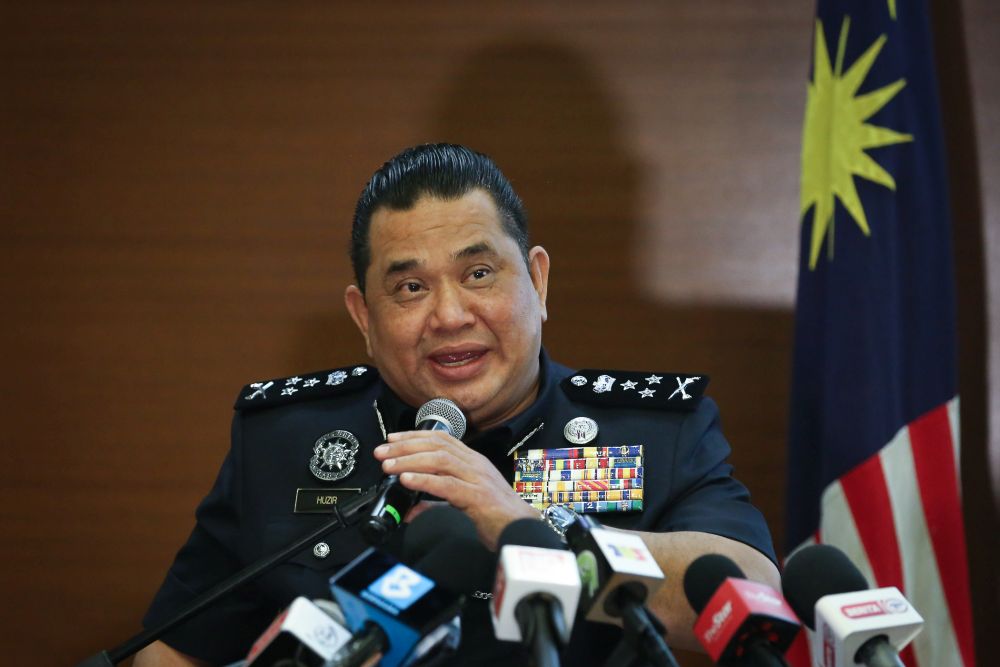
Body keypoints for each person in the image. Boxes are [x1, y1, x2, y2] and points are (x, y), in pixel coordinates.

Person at [134, 143, 779, 666]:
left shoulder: (651, 428)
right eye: (410, 287)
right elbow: (171, 650)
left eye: (478, 274)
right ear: (363, 316)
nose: (448, 316)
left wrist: (529, 524)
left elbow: (752, 590)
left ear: (537, 280)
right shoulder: (288, 440)